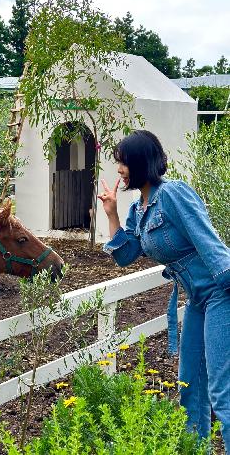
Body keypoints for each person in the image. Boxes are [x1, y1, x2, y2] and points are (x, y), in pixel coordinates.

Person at [98, 129, 230, 451]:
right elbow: (125, 255)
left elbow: (209, 242)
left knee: (222, 393)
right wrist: (112, 214)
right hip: (198, 300)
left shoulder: (172, 195)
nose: (119, 170)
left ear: (142, 162)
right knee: (190, 387)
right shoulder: (139, 210)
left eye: (123, 163)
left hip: (221, 293)